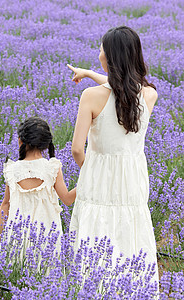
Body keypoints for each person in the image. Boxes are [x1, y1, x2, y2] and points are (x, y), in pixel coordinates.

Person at [67, 26, 159, 284]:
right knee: (130, 230)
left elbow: (76, 149)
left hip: (98, 176)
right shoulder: (150, 95)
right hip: (132, 177)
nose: (99, 55)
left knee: (95, 231)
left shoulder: (90, 97)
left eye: (101, 50)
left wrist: (92, 170)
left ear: (110, 57)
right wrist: (89, 74)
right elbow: (122, 90)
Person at [0, 117, 76, 264]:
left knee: (15, 277)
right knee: (47, 279)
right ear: (45, 144)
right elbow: (68, 200)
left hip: (16, 235)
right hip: (47, 236)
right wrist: (86, 183)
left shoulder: (11, 169)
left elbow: (5, 204)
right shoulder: (52, 168)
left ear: (20, 141)